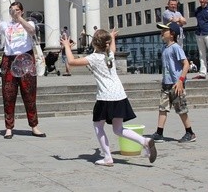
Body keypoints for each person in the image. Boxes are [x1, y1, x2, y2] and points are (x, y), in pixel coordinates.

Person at [60, 29, 157, 166]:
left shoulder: (94, 58)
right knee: (118, 129)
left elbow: (71, 62)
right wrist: (112, 37)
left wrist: (66, 46)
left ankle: (107, 157)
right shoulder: (109, 54)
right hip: (120, 95)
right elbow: (112, 47)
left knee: (98, 126)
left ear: (94, 43)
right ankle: (144, 141)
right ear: (106, 43)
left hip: (105, 97)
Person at [0, 1, 46, 139]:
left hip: (25, 59)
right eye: (12, 10)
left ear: (22, 11)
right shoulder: (6, 25)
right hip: (9, 60)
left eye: (17, 10)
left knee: (29, 94)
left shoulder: (28, 23)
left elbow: (32, 31)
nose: (14, 12)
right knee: (8, 94)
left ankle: (34, 126)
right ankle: (8, 127)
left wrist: (19, 18)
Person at [152, 22, 196, 143]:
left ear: (172, 34)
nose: (161, 32)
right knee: (162, 108)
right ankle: (159, 133)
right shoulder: (164, 48)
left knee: (181, 109)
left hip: (176, 85)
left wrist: (181, 80)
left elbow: (186, 64)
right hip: (166, 84)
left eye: (164, 31)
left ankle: (190, 133)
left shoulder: (176, 47)